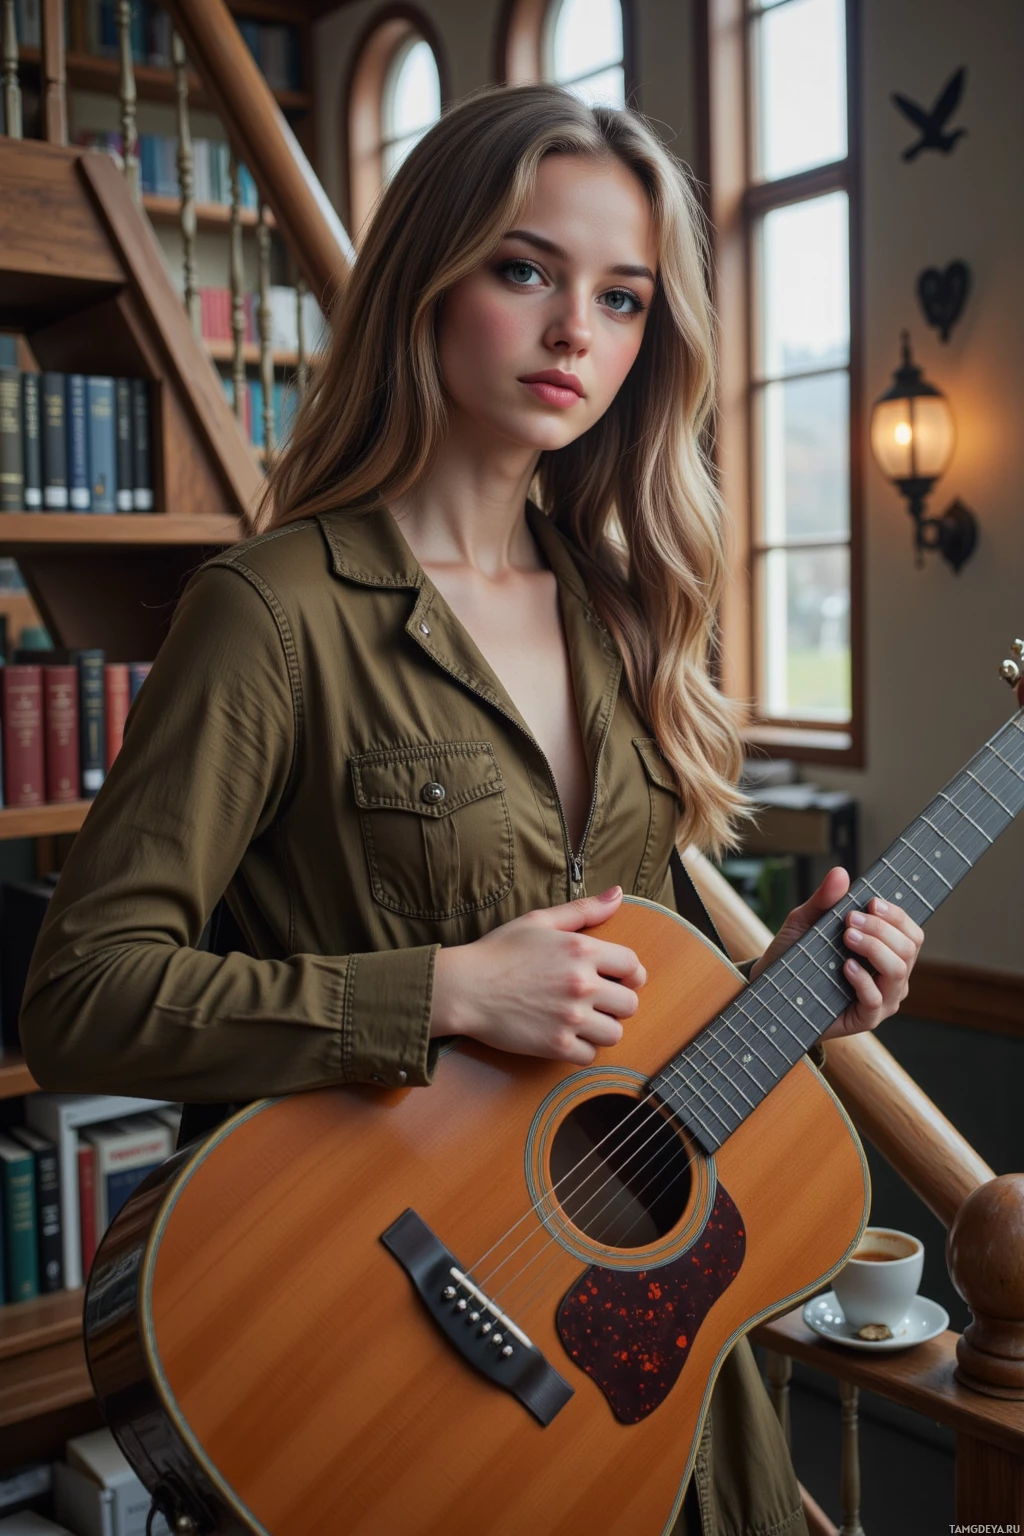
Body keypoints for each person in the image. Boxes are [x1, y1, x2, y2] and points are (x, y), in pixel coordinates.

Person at [20, 84, 924, 1536]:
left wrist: (800, 996)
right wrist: (439, 990)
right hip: (385, 1352)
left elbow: (617, 1020)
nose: (579, 332)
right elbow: (82, 996)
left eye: (624, 298)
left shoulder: (629, 618)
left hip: (634, 1386)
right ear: (427, 283)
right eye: (527, 271)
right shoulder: (272, 615)